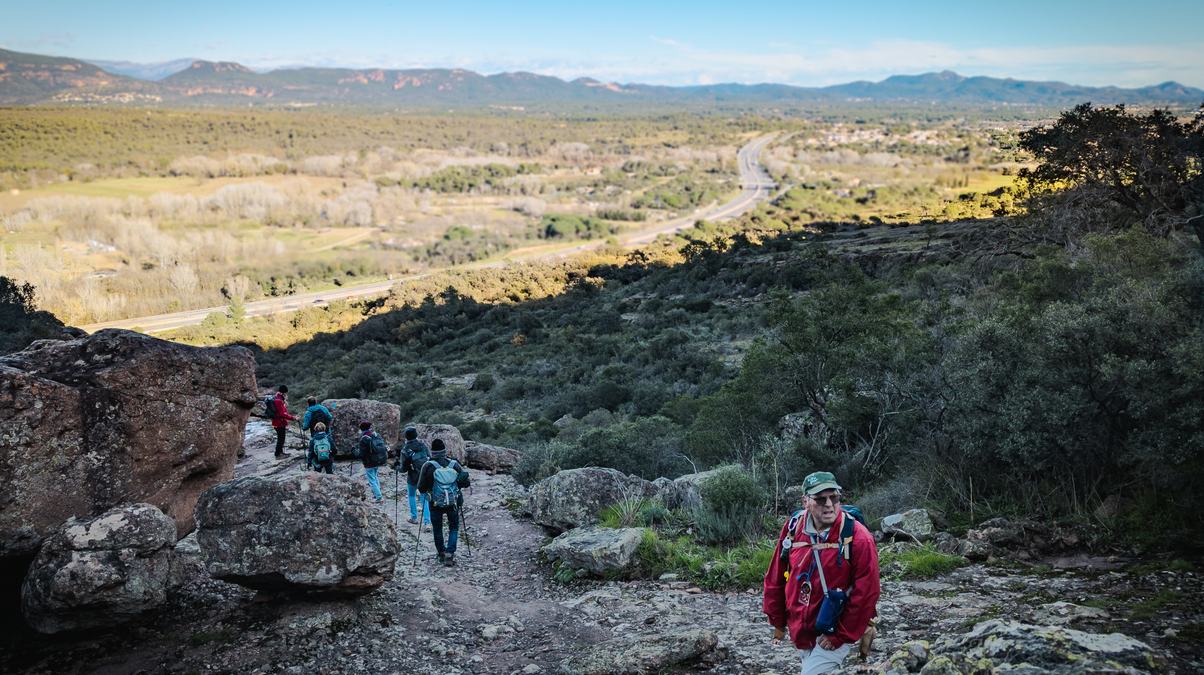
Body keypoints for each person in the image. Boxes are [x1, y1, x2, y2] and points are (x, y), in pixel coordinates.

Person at [763, 471, 880, 675]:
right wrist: (778, 621)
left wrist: (840, 635)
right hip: (802, 629)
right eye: (820, 499)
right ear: (805, 502)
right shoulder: (793, 528)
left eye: (834, 497)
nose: (828, 504)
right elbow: (777, 576)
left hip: (836, 629)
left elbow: (867, 592)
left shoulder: (858, 537)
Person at [417, 439, 469, 566]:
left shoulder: (428, 466)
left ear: (432, 451)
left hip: (435, 503)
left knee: (438, 528)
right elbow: (465, 482)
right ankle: (450, 554)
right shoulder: (454, 464)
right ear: (444, 450)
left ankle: (441, 553)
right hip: (453, 503)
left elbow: (421, 487)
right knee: (453, 527)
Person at [395, 427, 432, 527]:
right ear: (416, 435)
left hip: (413, 477)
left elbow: (403, 469)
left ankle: (414, 517)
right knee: (424, 498)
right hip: (424, 475)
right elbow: (430, 458)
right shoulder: (423, 445)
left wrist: (397, 467)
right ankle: (427, 522)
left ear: (406, 437)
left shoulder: (405, 449)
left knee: (411, 495)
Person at [355, 420, 388, 502]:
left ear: (361, 429)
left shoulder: (364, 439)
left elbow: (361, 454)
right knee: (375, 477)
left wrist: (354, 451)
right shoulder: (375, 435)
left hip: (369, 462)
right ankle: (377, 494)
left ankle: (379, 497)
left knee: (371, 480)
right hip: (378, 459)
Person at [269, 385, 298, 458]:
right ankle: (278, 454)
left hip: (277, 422)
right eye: (286, 393)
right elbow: (282, 414)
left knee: (281, 438)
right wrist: (293, 418)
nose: (286, 395)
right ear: (283, 393)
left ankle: (280, 453)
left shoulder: (277, 397)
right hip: (279, 422)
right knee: (281, 439)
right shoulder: (279, 401)